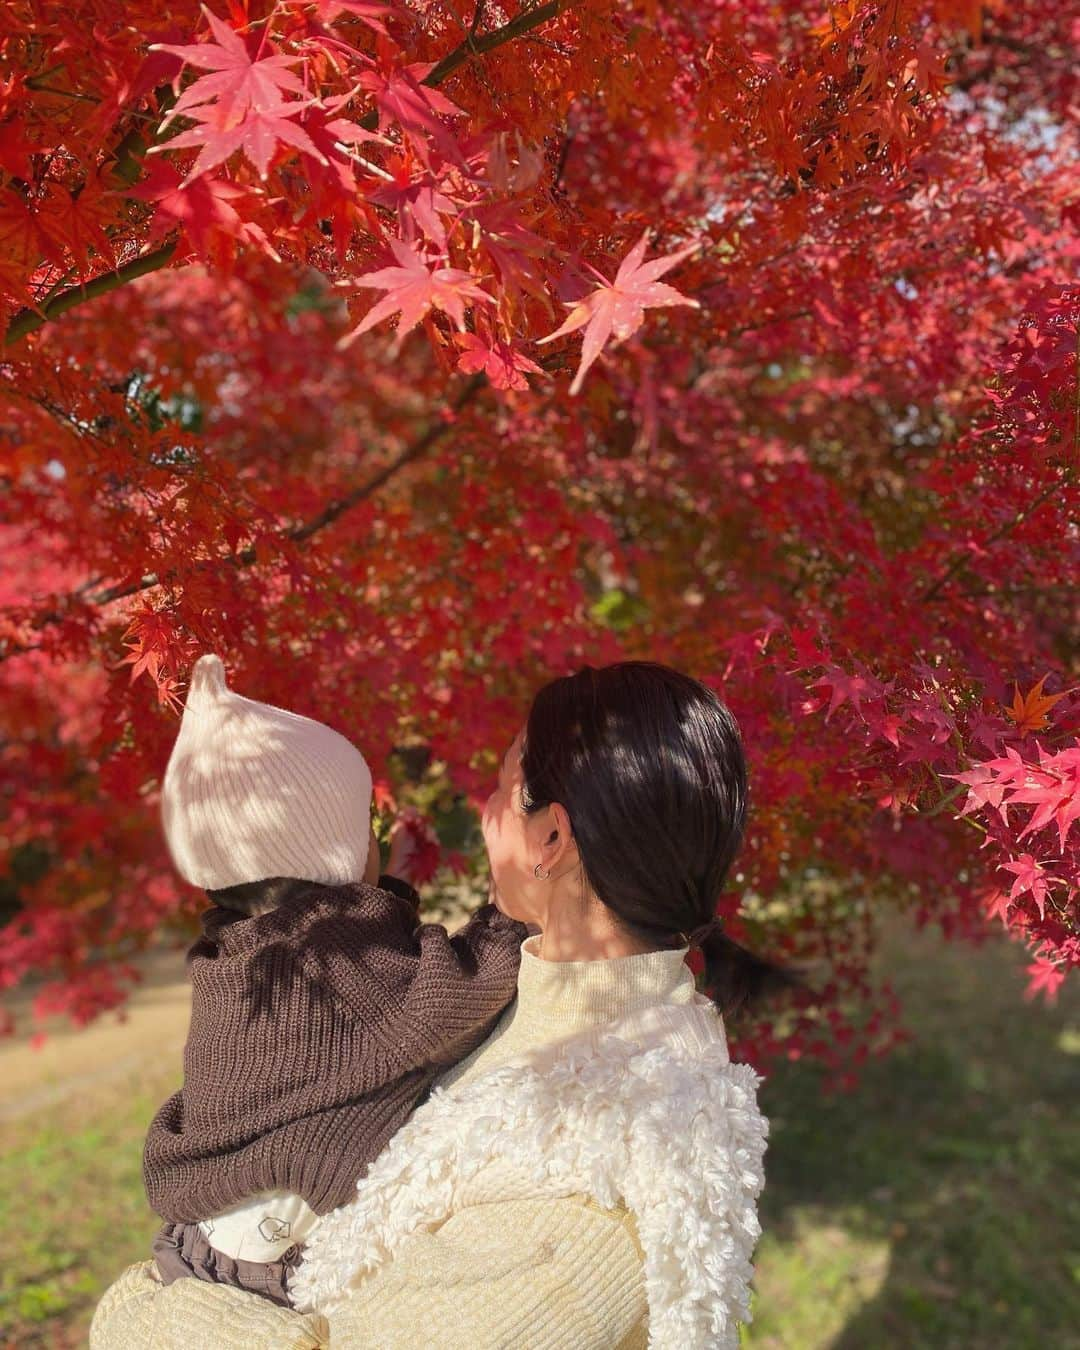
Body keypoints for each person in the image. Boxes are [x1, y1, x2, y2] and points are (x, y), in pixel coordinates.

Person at [92, 660, 803, 1349]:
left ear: (549, 839)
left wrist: (131, 1317)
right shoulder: (528, 1004)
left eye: (501, 791)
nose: (484, 810)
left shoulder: (608, 1144)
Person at [135, 654, 528, 1311]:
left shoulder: (239, 953)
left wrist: (386, 884)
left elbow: (368, 975)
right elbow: (449, 997)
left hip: (204, 1238)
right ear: (339, 857)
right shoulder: (340, 966)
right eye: (365, 832)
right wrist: (506, 914)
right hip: (275, 1262)